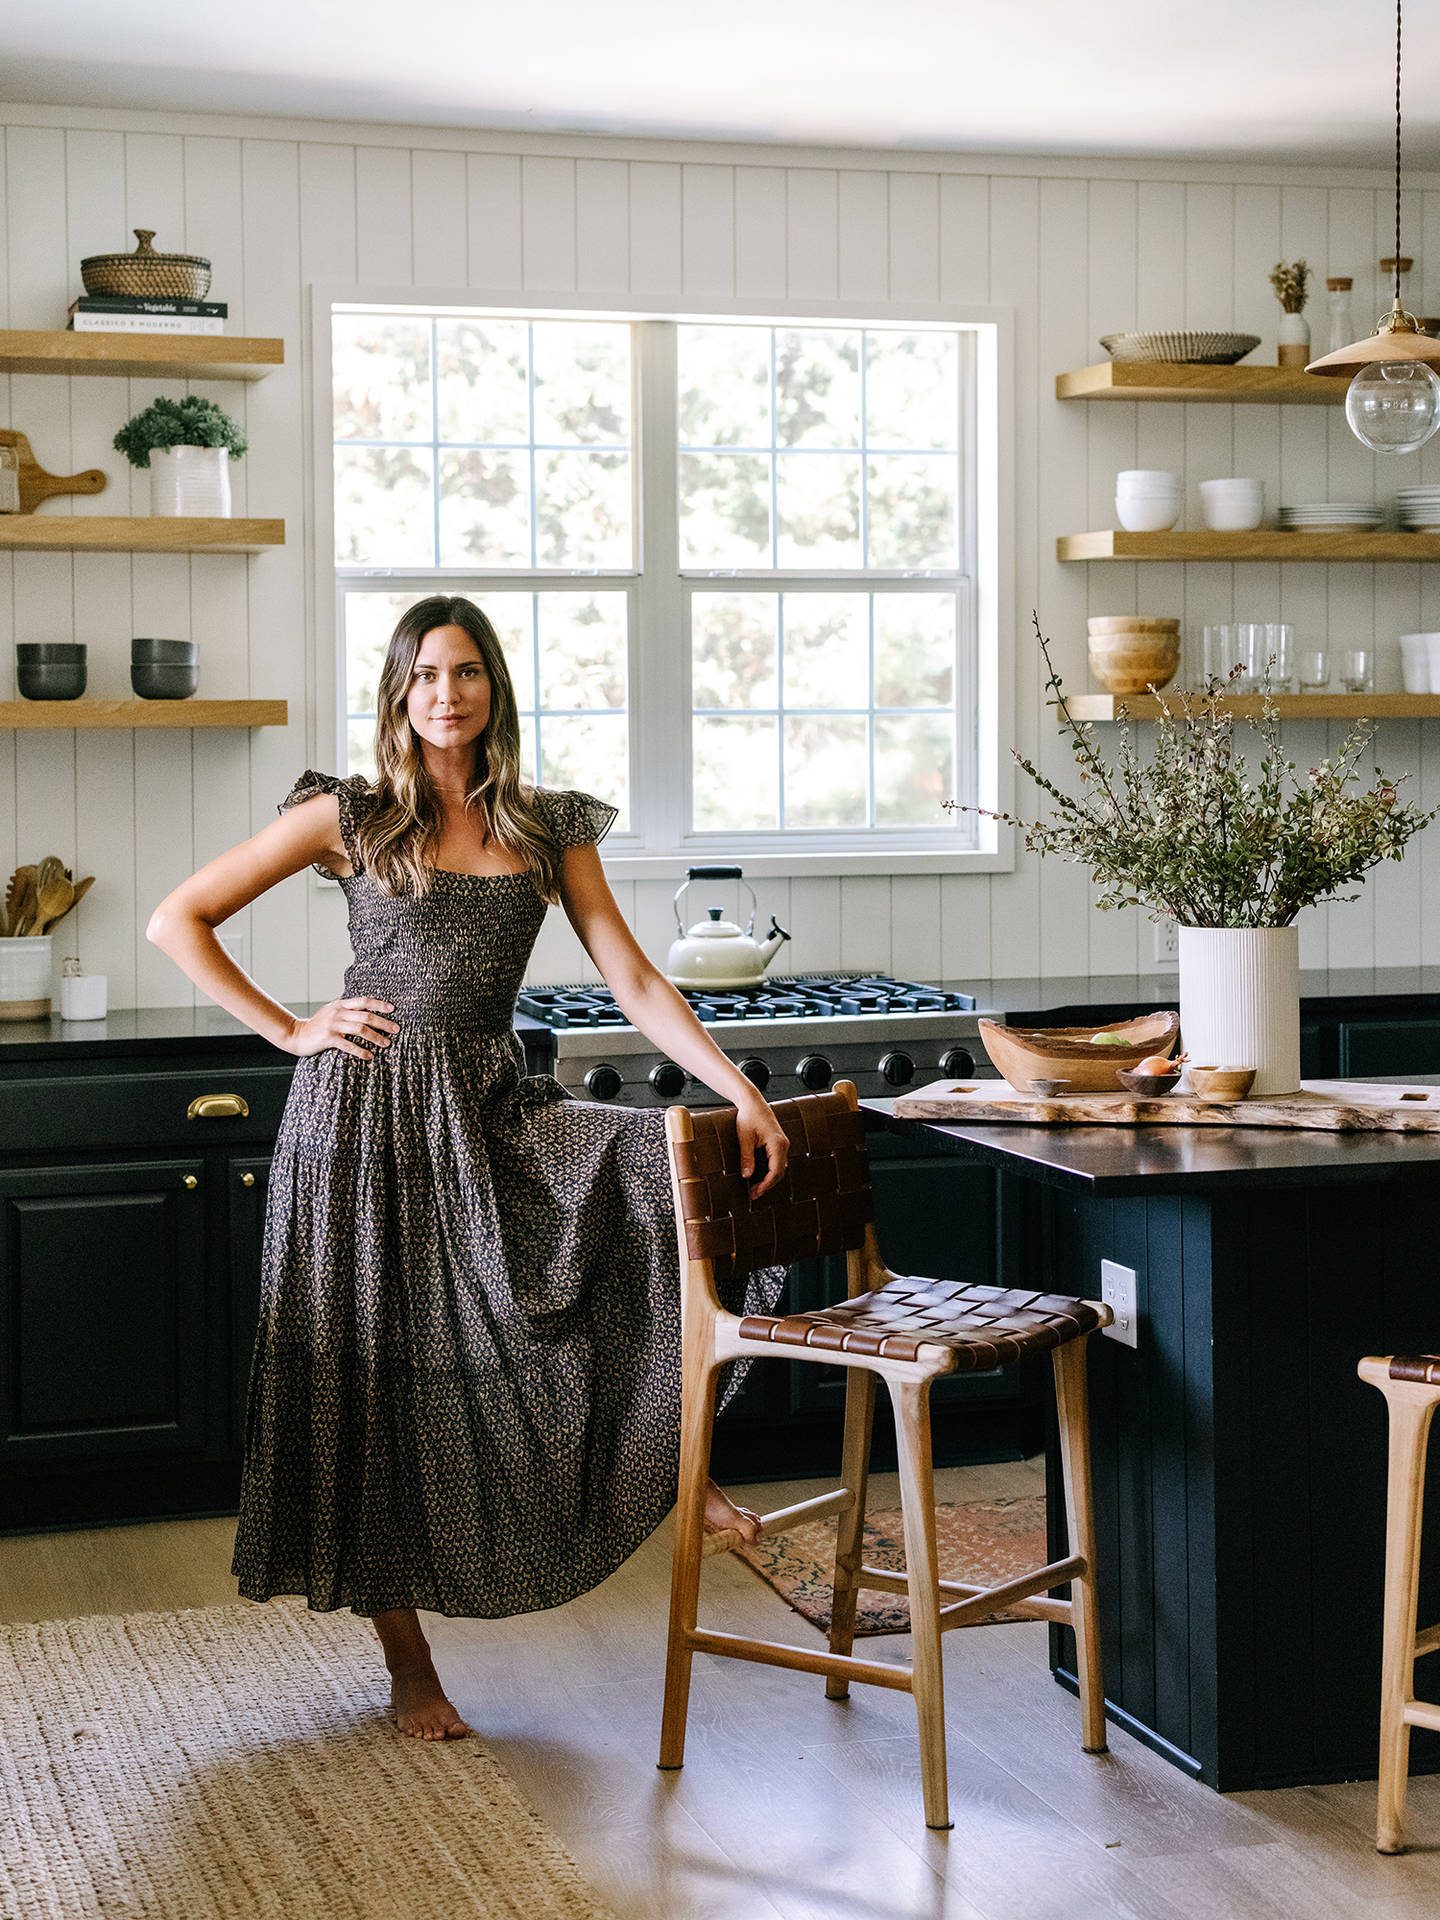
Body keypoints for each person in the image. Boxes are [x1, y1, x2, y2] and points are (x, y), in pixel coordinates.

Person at [146, 593, 790, 1742]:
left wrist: (737, 1087)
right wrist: (290, 1029)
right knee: (368, 1384)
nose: (447, 693)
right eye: (425, 675)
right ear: (400, 692)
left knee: (657, 1175)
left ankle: (676, 1466)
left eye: (467, 672)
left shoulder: (547, 826)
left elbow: (635, 980)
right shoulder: (348, 816)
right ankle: (408, 1668)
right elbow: (179, 919)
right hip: (362, 1128)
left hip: (489, 1109)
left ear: (495, 686)